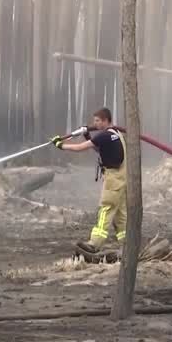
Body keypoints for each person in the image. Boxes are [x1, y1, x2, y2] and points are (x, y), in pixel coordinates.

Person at [51, 107, 127, 254]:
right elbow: (101, 149)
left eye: (98, 121)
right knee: (120, 214)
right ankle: (127, 244)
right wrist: (87, 136)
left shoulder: (104, 135)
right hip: (122, 179)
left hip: (113, 180)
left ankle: (95, 243)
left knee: (106, 209)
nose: (95, 124)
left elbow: (80, 148)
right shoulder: (116, 134)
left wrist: (61, 145)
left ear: (106, 120)